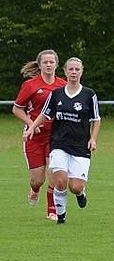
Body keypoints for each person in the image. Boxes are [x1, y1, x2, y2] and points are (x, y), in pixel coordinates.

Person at [22, 57, 101, 224]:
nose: (74, 72)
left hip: (80, 145)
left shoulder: (89, 94)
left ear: (82, 72)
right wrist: (31, 127)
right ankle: (60, 215)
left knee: (75, 187)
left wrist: (93, 139)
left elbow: (96, 119)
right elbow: (45, 114)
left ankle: (80, 193)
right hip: (58, 143)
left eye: (77, 69)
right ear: (65, 71)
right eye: (70, 69)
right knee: (59, 180)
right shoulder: (56, 94)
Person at [12, 49, 66, 221]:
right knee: (37, 180)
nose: (49, 65)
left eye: (52, 62)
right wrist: (31, 124)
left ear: (56, 65)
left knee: (54, 174)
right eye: (45, 62)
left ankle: (52, 210)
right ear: (40, 65)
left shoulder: (63, 85)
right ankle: (34, 190)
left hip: (55, 137)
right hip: (34, 137)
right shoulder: (30, 85)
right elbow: (16, 109)